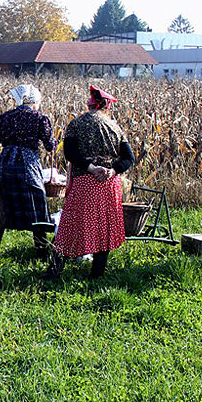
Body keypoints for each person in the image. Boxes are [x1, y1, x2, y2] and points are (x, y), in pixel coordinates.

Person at [45, 85, 135, 281]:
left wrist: (91, 167)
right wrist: (112, 171)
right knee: (104, 228)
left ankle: (54, 271)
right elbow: (129, 158)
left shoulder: (76, 124)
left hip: (85, 182)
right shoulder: (115, 127)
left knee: (70, 226)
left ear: (90, 104)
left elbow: (70, 153)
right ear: (106, 107)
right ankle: (97, 274)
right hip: (108, 185)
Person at [0, 84, 56, 260]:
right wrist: (53, 138)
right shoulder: (40, 118)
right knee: (36, 205)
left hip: (7, 166)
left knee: (1, 207)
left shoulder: (5, 117)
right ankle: (42, 253)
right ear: (33, 101)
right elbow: (50, 146)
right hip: (29, 168)